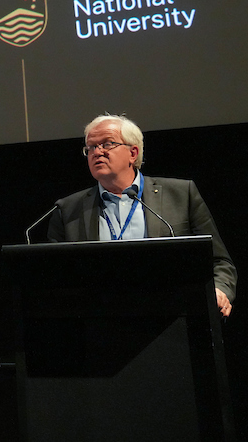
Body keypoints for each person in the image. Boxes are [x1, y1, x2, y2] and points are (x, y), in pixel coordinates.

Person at [47, 114, 237, 317]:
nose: (97, 152)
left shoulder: (181, 195)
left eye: (107, 144)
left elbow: (219, 261)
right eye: (91, 148)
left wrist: (219, 290)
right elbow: (54, 277)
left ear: (133, 153)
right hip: (99, 324)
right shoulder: (67, 209)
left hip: (172, 320)